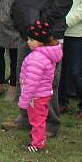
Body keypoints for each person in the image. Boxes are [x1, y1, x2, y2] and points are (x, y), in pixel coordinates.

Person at [1, 0, 72, 137]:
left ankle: (49, 124)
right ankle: (25, 117)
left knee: (46, 81)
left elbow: (63, 1)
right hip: (26, 33)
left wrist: (41, 27)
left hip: (46, 37)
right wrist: (19, 20)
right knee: (25, 75)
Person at [18, 20, 63, 153]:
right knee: (40, 118)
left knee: (37, 120)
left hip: (35, 95)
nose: (28, 42)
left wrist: (24, 100)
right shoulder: (46, 55)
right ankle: (38, 138)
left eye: (31, 39)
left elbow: (31, 83)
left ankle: (37, 144)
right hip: (42, 94)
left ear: (41, 42)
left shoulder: (36, 59)